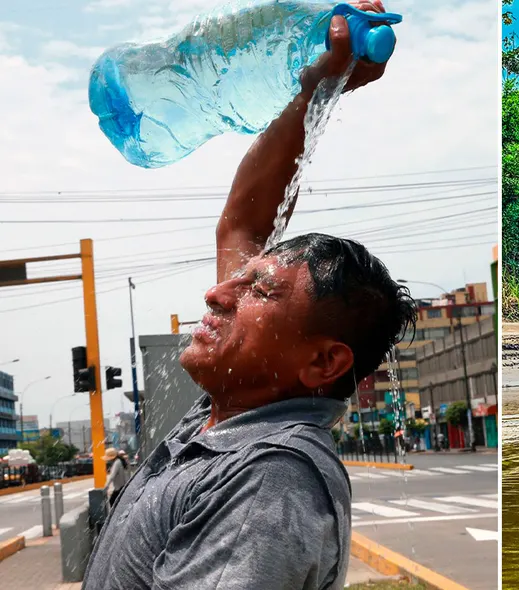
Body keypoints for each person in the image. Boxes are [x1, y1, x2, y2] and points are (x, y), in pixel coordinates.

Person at [82, 3, 415, 589]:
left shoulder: (270, 480)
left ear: (322, 362)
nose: (216, 292)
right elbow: (244, 221)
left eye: (258, 289)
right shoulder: (228, 419)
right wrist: (321, 86)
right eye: (244, 277)